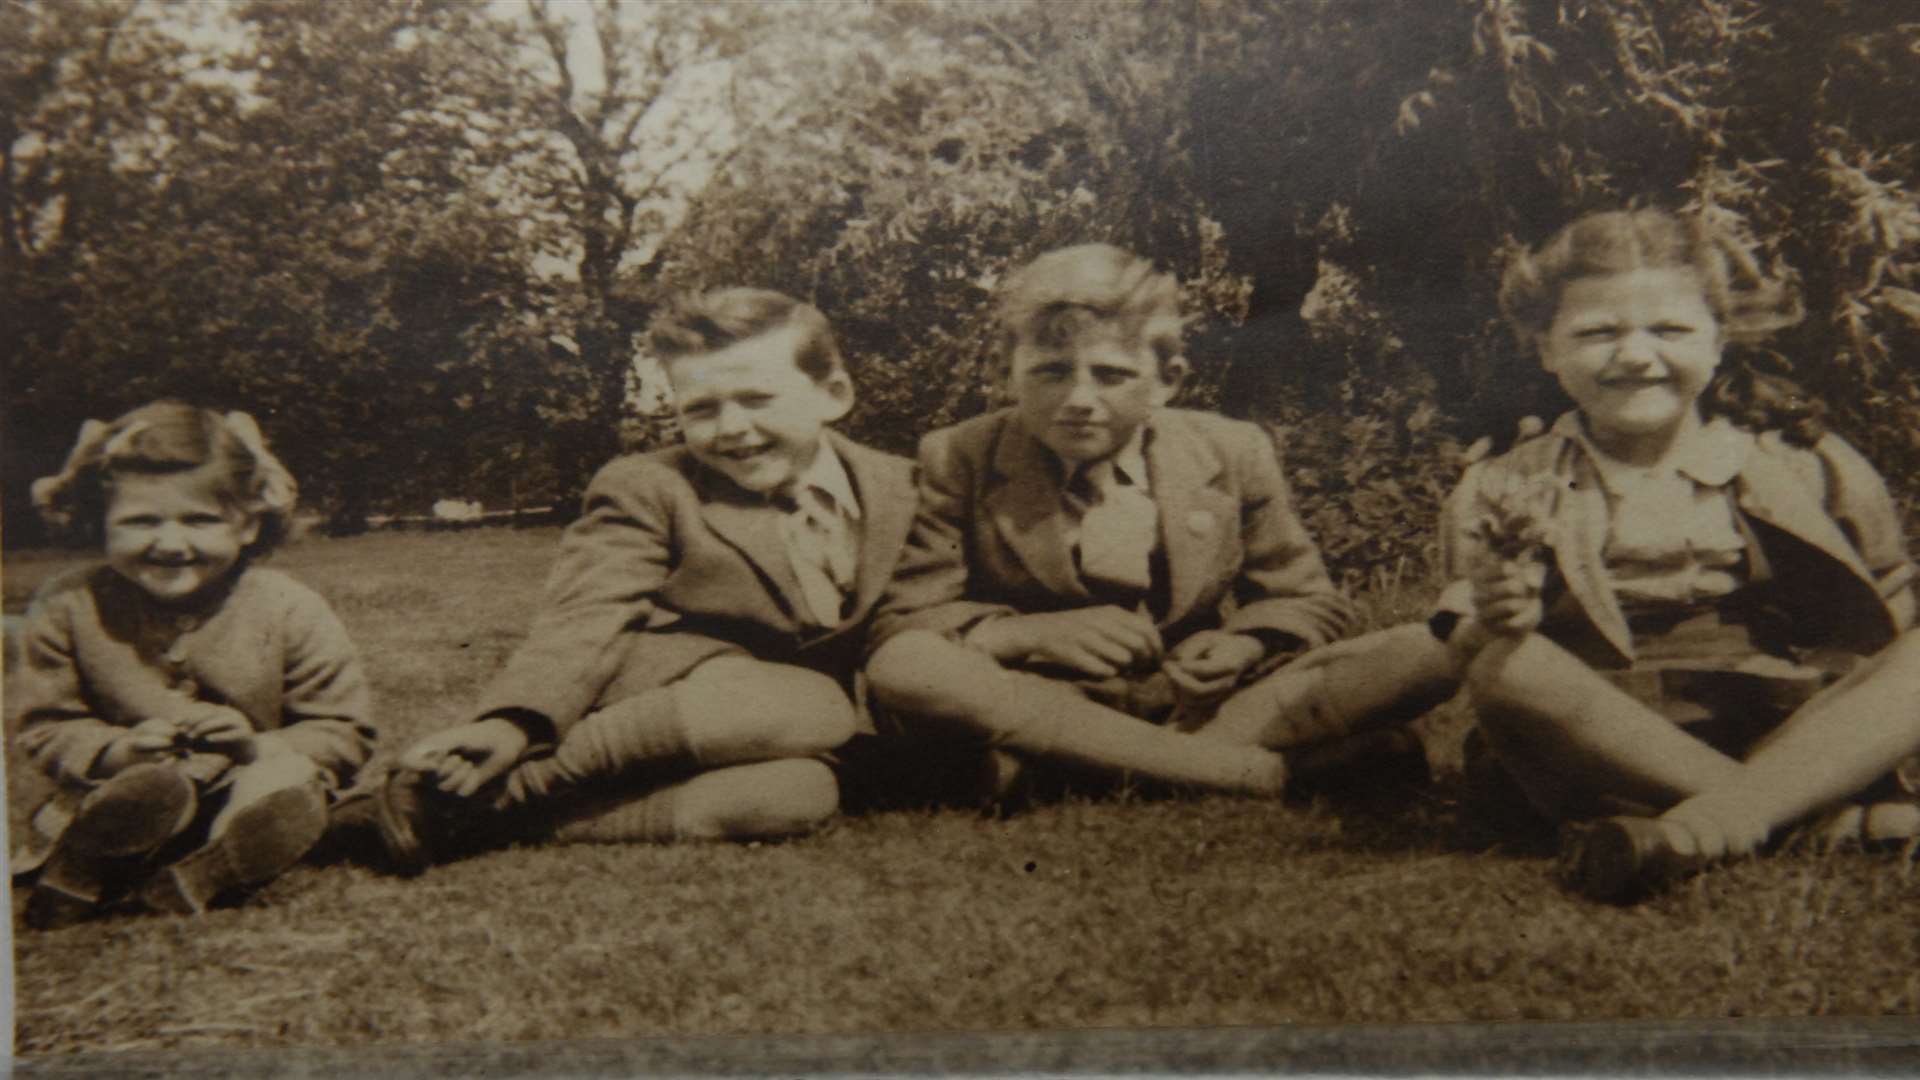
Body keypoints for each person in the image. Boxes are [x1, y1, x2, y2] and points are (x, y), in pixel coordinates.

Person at [1437, 207, 1920, 901]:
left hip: (1778, 722)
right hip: (1604, 737)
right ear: (1545, 348)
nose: (1636, 354)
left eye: (1670, 330)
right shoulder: (1506, 481)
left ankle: (1729, 817)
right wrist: (1495, 613)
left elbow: (1887, 595)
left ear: (1720, 340)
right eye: (1598, 332)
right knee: (1506, 667)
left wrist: (1869, 713)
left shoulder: (1800, 461)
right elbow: (1458, 625)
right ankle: (1788, 812)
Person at [864, 244, 1458, 806]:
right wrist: (1030, 634)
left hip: (1203, 701)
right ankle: (1244, 771)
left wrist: (1242, 643)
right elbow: (909, 617)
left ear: (1167, 380)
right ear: (1006, 372)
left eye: (1111, 374)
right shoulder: (957, 456)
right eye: (1050, 372)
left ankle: (1114, 769)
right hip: (1047, 702)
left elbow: (1306, 600)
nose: (1079, 398)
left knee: (1426, 648)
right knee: (911, 666)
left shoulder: (1231, 451)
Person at [365, 288, 916, 869]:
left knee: (798, 797)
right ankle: (498, 786)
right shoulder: (649, 486)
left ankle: (486, 818)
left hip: (772, 737)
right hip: (671, 700)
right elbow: (587, 612)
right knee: (811, 704)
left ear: (834, 395)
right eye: (700, 409)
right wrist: (514, 724)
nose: (732, 428)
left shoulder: (904, 489)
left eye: (757, 399)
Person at [11, 403, 375, 929]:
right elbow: (47, 725)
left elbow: (343, 730)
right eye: (140, 521)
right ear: (100, 522)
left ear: (247, 524)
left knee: (283, 785)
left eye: (200, 520)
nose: (170, 543)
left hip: (241, 787)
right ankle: (78, 873)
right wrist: (118, 751)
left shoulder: (289, 607)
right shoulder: (68, 605)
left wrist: (256, 745)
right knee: (134, 794)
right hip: (122, 789)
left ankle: (202, 875)